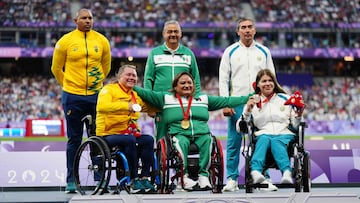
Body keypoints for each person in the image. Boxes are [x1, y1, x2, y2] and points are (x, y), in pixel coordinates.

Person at [134, 72, 250, 191]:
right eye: (183, 83)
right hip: (179, 134)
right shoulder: (166, 98)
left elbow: (227, 100)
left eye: (189, 83)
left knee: (208, 140)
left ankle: (203, 176)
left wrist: (248, 98)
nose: (187, 85)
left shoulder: (203, 98)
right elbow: (147, 94)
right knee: (181, 142)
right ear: (175, 86)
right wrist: (131, 85)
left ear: (194, 86)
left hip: (202, 134)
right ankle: (183, 177)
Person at [50, 8, 111, 193]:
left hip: (95, 96)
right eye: (84, 18)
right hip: (72, 96)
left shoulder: (101, 41)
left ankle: (99, 179)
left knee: (97, 138)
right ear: (75, 20)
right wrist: (70, 85)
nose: (88, 21)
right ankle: (71, 180)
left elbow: (106, 67)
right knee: (74, 139)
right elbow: (56, 68)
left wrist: (95, 86)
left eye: (90, 18)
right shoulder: (65, 41)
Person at [219, 17, 276, 192]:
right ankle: (232, 179)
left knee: (262, 139)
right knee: (234, 141)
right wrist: (225, 102)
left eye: (250, 27)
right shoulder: (230, 51)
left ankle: (263, 178)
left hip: (260, 102)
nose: (247, 30)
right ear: (238, 31)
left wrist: (272, 99)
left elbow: (272, 77)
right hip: (237, 101)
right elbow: (223, 79)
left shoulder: (264, 51)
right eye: (243, 27)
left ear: (255, 30)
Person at [96, 64, 158, 194]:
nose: (132, 78)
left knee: (148, 140)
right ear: (119, 76)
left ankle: (145, 178)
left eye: (134, 76)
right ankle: (133, 180)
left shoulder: (135, 95)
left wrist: (160, 109)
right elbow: (102, 106)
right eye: (128, 75)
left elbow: (148, 108)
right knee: (129, 140)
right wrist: (126, 106)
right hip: (107, 134)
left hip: (129, 134)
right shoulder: (108, 90)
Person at [237, 69, 304, 185]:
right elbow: (240, 127)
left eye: (270, 80)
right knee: (264, 139)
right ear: (257, 84)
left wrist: (298, 116)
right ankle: (256, 172)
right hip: (263, 133)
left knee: (276, 141)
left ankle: (287, 173)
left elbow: (295, 125)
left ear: (274, 82)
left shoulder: (285, 99)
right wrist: (247, 111)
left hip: (284, 133)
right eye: (264, 81)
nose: (267, 83)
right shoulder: (253, 101)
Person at [143, 20, 201, 142]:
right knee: (161, 139)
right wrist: (150, 104)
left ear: (181, 34)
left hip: (184, 103)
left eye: (176, 31)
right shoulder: (154, 53)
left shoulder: (188, 53)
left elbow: (195, 79)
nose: (173, 34)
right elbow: (148, 79)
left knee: (183, 137)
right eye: (169, 32)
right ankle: (160, 161)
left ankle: (182, 160)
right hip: (161, 103)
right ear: (164, 34)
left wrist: (196, 101)